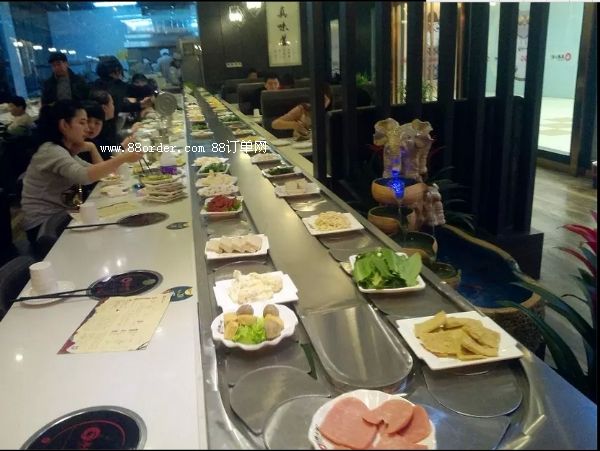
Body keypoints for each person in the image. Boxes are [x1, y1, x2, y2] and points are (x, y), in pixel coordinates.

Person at [21, 99, 143, 244]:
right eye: (82, 122)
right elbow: (84, 176)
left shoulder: (64, 149)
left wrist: (92, 148)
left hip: (63, 215)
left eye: (96, 123)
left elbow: (99, 174)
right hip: (44, 226)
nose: (87, 128)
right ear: (64, 125)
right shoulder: (51, 150)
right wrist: (123, 157)